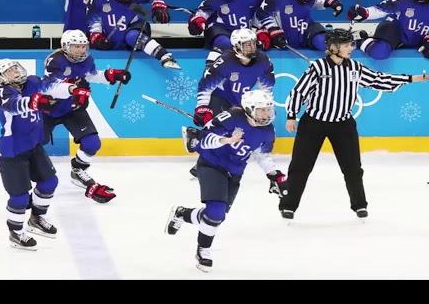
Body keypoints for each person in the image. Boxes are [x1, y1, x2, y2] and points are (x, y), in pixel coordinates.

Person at [279, 28, 428, 220]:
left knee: (353, 168)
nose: (351, 48)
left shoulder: (355, 68)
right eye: (347, 44)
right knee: (300, 167)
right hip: (313, 124)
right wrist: (291, 115)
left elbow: (378, 80)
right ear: (333, 47)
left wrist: (412, 78)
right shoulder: (317, 68)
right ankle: (288, 205)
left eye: (351, 44)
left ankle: (359, 205)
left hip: (343, 125)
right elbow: (298, 92)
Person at [166, 90, 286, 272]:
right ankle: (203, 251)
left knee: (216, 217)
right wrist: (226, 140)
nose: (266, 114)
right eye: (261, 110)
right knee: (215, 213)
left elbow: (262, 155)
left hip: (235, 173)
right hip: (211, 164)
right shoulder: (230, 117)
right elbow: (203, 140)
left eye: (268, 110)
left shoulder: (268, 131)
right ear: (249, 109)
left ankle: (182, 214)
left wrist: (274, 174)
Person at [0, 59, 90, 250]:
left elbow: (51, 87)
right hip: (12, 151)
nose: (16, 72)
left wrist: (72, 90)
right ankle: (16, 233)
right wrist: (34, 101)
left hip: (33, 146)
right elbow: (14, 105)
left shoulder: (32, 82)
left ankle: (36, 218)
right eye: (10, 71)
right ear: (1, 78)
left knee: (49, 182)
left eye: (15, 68)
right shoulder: (1, 92)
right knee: (19, 197)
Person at [42, 29, 130, 203]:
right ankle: (31, 174)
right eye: (76, 47)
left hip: (73, 108)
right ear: (66, 46)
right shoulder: (55, 60)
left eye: (83, 46)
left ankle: (78, 171)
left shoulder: (88, 59)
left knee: (92, 143)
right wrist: (74, 90)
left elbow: (90, 76)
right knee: (34, 145)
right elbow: (50, 87)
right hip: (48, 110)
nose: (81, 50)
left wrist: (110, 75)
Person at [189, 28, 275, 178]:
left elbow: (266, 88)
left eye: (253, 44)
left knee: (238, 134)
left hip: (243, 102)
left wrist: (265, 107)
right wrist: (201, 107)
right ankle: (203, 163)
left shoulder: (263, 61)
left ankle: (218, 162)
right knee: (219, 130)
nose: (251, 47)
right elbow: (206, 85)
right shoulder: (225, 61)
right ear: (236, 46)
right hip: (220, 98)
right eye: (246, 45)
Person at [86, 0, 180, 69]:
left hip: (134, 27)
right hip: (111, 39)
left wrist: (158, 6)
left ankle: (165, 57)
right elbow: (93, 20)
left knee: (132, 36)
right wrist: (97, 37)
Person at [187, 0, 265, 66]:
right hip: (221, 30)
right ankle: (211, 69)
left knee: (254, 49)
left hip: (243, 33)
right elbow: (202, 12)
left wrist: (262, 30)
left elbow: (260, 13)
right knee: (225, 44)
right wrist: (198, 20)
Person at [349, 0, 429, 60]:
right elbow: (381, 10)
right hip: (395, 31)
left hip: (420, 37)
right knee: (379, 52)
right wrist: (364, 12)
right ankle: (361, 41)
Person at [256, 0, 343, 52]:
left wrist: (331, 3)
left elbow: (316, 1)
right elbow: (262, 14)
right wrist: (274, 31)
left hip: (305, 31)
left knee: (323, 43)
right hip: (284, 35)